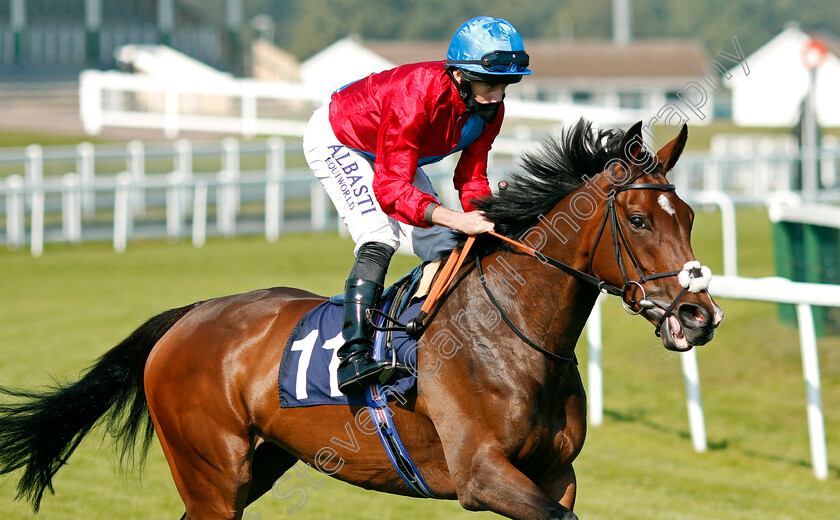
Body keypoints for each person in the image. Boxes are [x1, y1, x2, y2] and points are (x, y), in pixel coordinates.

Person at [303, 16, 531, 394]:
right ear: (459, 75)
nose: (496, 95)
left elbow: (471, 178)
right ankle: (354, 355)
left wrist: (487, 214)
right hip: (340, 138)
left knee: (443, 245)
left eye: (506, 85)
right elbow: (391, 189)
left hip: (391, 153)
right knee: (379, 234)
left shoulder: (491, 108)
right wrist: (456, 218)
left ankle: (420, 339)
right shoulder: (416, 96)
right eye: (489, 84)